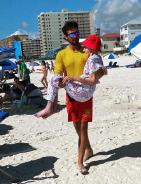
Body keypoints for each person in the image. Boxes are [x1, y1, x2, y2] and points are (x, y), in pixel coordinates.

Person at [38, 21, 94, 174]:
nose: (76, 37)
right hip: (71, 96)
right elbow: (58, 75)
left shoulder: (87, 52)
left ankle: (80, 161)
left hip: (86, 96)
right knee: (77, 127)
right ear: (66, 36)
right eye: (72, 34)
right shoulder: (61, 54)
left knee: (83, 128)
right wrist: (61, 84)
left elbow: (95, 69)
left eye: (77, 33)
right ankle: (88, 147)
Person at [35, 34, 106, 119]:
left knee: (54, 79)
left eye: (86, 47)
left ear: (91, 49)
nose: (84, 49)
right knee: (57, 80)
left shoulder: (92, 59)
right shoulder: (98, 57)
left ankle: (50, 108)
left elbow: (92, 80)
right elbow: (101, 73)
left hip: (84, 92)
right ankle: (52, 107)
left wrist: (72, 78)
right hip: (87, 91)